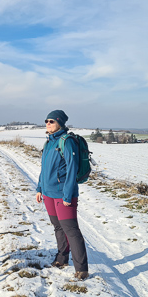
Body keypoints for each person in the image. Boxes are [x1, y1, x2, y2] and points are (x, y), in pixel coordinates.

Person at [36, 110, 89, 280]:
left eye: (51, 121)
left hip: (63, 195)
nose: (48, 123)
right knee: (57, 227)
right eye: (46, 121)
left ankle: (81, 269)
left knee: (71, 229)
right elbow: (44, 169)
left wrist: (67, 195)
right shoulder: (48, 143)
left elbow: (72, 169)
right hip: (48, 194)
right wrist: (39, 188)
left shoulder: (66, 142)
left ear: (60, 123)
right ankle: (62, 259)